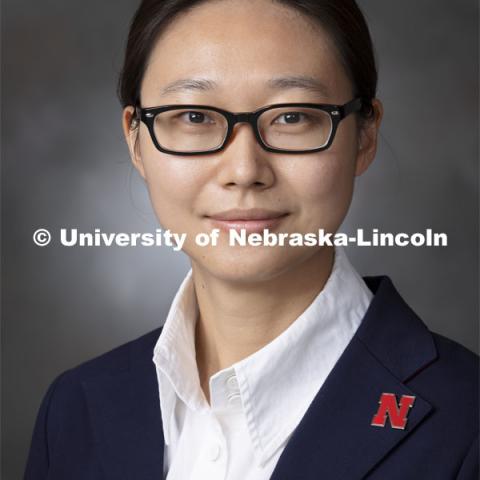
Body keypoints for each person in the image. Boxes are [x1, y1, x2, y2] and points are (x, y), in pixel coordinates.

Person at [24, 0, 478, 479]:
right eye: (195, 117)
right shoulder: (76, 410)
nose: (244, 171)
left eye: (292, 117)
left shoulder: (466, 420)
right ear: (136, 139)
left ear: (364, 135)